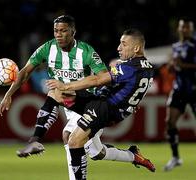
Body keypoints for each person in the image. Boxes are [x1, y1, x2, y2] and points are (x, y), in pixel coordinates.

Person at [0, 15, 110, 180]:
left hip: (89, 103)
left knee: (69, 135)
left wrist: (121, 100)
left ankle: (35, 140)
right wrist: (8, 95)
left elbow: (105, 77)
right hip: (70, 105)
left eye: (63, 31)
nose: (59, 34)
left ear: (73, 32)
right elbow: (25, 72)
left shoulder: (85, 51)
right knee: (96, 152)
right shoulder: (48, 48)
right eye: (56, 31)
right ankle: (132, 156)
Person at [46, 28, 156, 179]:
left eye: (123, 44)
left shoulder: (129, 68)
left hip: (104, 107)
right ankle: (133, 156)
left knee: (72, 138)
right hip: (109, 108)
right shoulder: (148, 68)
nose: (119, 48)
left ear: (136, 48)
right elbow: (133, 88)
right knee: (96, 152)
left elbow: (98, 79)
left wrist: (67, 85)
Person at [163, 18, 196, 171]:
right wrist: (171, 66)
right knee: (170, 121)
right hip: (179, 89)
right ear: (179, 29)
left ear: (192, 29)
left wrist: (183, 65)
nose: (185, 30)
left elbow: (185, 65)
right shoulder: (176, 46)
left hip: (194, 89)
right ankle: (176, 157)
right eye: (183, 27)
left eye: (187, 27)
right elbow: (174, 67)